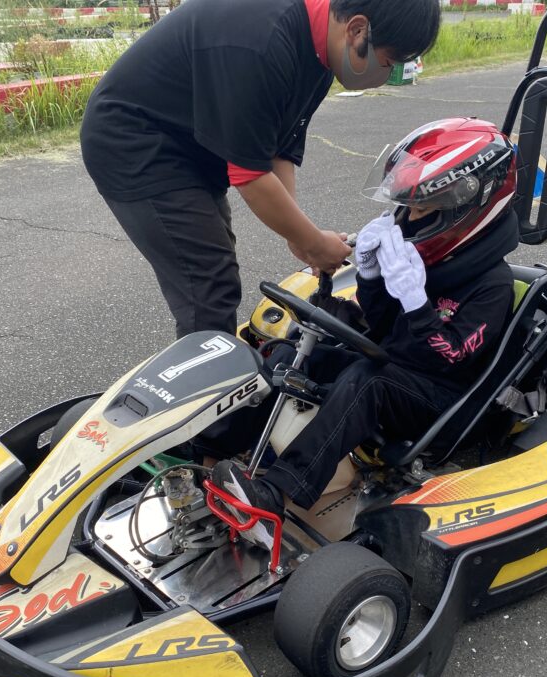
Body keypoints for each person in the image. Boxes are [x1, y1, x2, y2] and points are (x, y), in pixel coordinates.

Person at [210, 118, 520, 534]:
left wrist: (417, 304)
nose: (410, 218)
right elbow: (383, 326)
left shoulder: (493, 284)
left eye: (423, 209)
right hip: (396, 367)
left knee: (366, 380)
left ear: (463, 206)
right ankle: (216, 449)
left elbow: (450, 357)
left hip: (444, 397)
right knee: (288, 353)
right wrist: (372, 278)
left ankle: (277, 493)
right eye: (409, 207)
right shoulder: (423, 260)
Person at [80, 0, 442, 338]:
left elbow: (278, 150)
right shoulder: (263, 41)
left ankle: (211, 360)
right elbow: (250, 176)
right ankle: (207, 379)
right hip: (135, 139)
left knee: (213, 263)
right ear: (358, 30)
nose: (388, 74)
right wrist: (313, 243)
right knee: (209, 283)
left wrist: (300, 237)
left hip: (192, 144)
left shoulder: (319, 52)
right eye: (389, 61)